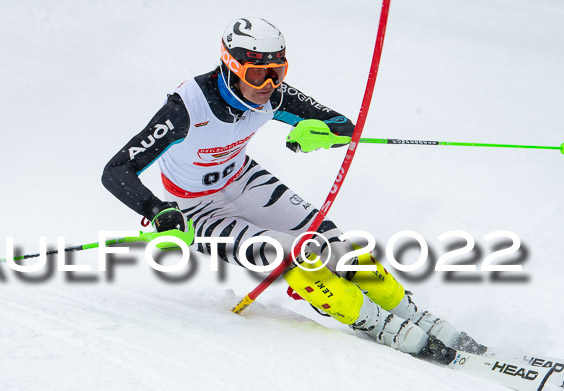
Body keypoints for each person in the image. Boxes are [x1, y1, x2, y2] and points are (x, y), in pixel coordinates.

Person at [102, 17, 485, 361]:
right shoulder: (187, 106)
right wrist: (157, 209)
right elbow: (116, 170)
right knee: (290, 254)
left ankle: (413, 315)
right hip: (196, 211)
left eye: (277, 72)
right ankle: (376, 323)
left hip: (244, 180)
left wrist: (321, 134)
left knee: (332, 242)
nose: (268, 86)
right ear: (231, 67)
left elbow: (343, 126)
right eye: (257, 75)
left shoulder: (275, 95)